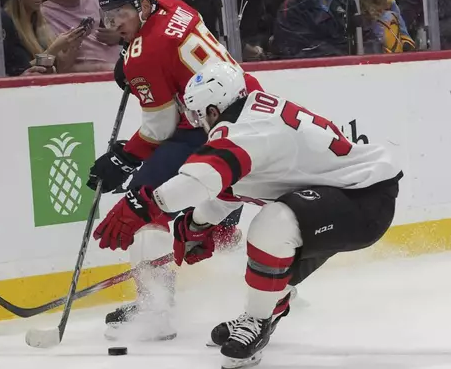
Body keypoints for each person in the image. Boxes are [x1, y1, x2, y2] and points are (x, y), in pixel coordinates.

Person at [93, 61, 403, 368]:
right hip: (340, 199)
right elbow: (231, 188)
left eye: (196, 114)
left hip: (363, 202)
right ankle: (269, 306)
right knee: (278, 243)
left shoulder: (246, 129)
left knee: (275, 223)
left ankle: (257, 321)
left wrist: (143, 203)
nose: (196, 122)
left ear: (213, 110)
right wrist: (195, 225)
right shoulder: (254, 111)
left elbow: (198, 180)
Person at [86, 0, 263, 342]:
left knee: (142, 200)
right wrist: (134, 62)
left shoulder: (143, 56)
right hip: (252, 112)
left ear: (145, 5)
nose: (115, 23)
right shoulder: (174, 6)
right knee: (229, 208)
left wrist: (122, 159)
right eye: (108, 17)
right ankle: (274, 288)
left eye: (120, 13)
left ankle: (156, 311)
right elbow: (168, 53)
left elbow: (160, 128)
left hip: (206, 126)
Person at [4, 0, 86, 72]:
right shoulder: (8, 25)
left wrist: (74, 45)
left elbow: (62, 68)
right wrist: (54, 48)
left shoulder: (40, 22)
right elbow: (21, 70)